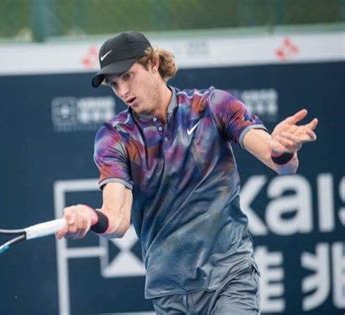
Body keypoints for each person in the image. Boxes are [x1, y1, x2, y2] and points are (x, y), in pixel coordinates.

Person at [56, 31, 318, 314]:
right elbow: (117, 220)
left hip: (229, 278)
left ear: (153, 63)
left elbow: (282, 164)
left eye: (128, 76)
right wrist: (91, 216)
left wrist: (281, 149)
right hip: (170, 293)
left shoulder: (212, 106)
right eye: (114, 84)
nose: (123, 91)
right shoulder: (114, 137)